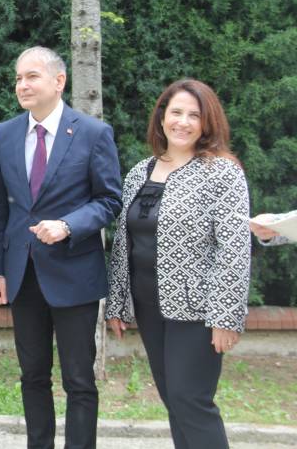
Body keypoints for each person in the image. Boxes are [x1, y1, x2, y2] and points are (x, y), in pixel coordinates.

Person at [0, 46, 122, 449]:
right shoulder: (6, 133)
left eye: (32, 76)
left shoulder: (93, 133)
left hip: (75, 275)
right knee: (32, 376)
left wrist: (68, 225)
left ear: (59, 81)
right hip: (22, 274)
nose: (22, 85)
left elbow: (109, 200)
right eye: (18, 78)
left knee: (79, 380)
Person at [106, 79, 251, 449]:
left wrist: (226, 316)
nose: (183, 122)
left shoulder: (222, 172)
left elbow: (233, 248)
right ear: (161, 117)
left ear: (207, 123)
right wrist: (118, 304)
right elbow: (124, 242)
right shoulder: (140, 172)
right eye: (176, 112)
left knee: (191, 401)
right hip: (149, 304)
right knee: (173, 399)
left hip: (197, 309)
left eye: (194, 115)